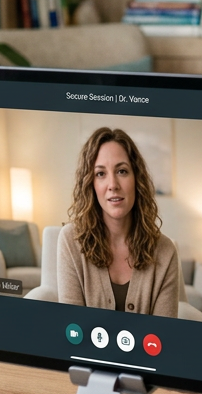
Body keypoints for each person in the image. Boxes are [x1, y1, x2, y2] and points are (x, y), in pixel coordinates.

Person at [58, 127, 180, 317]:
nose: (113, 184)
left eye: (122, 171)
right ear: (91, 184)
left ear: (137, 179)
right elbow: (73, 327)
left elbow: (162, 337)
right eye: (100, 174)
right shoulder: (70, 240)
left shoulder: (165, 252)